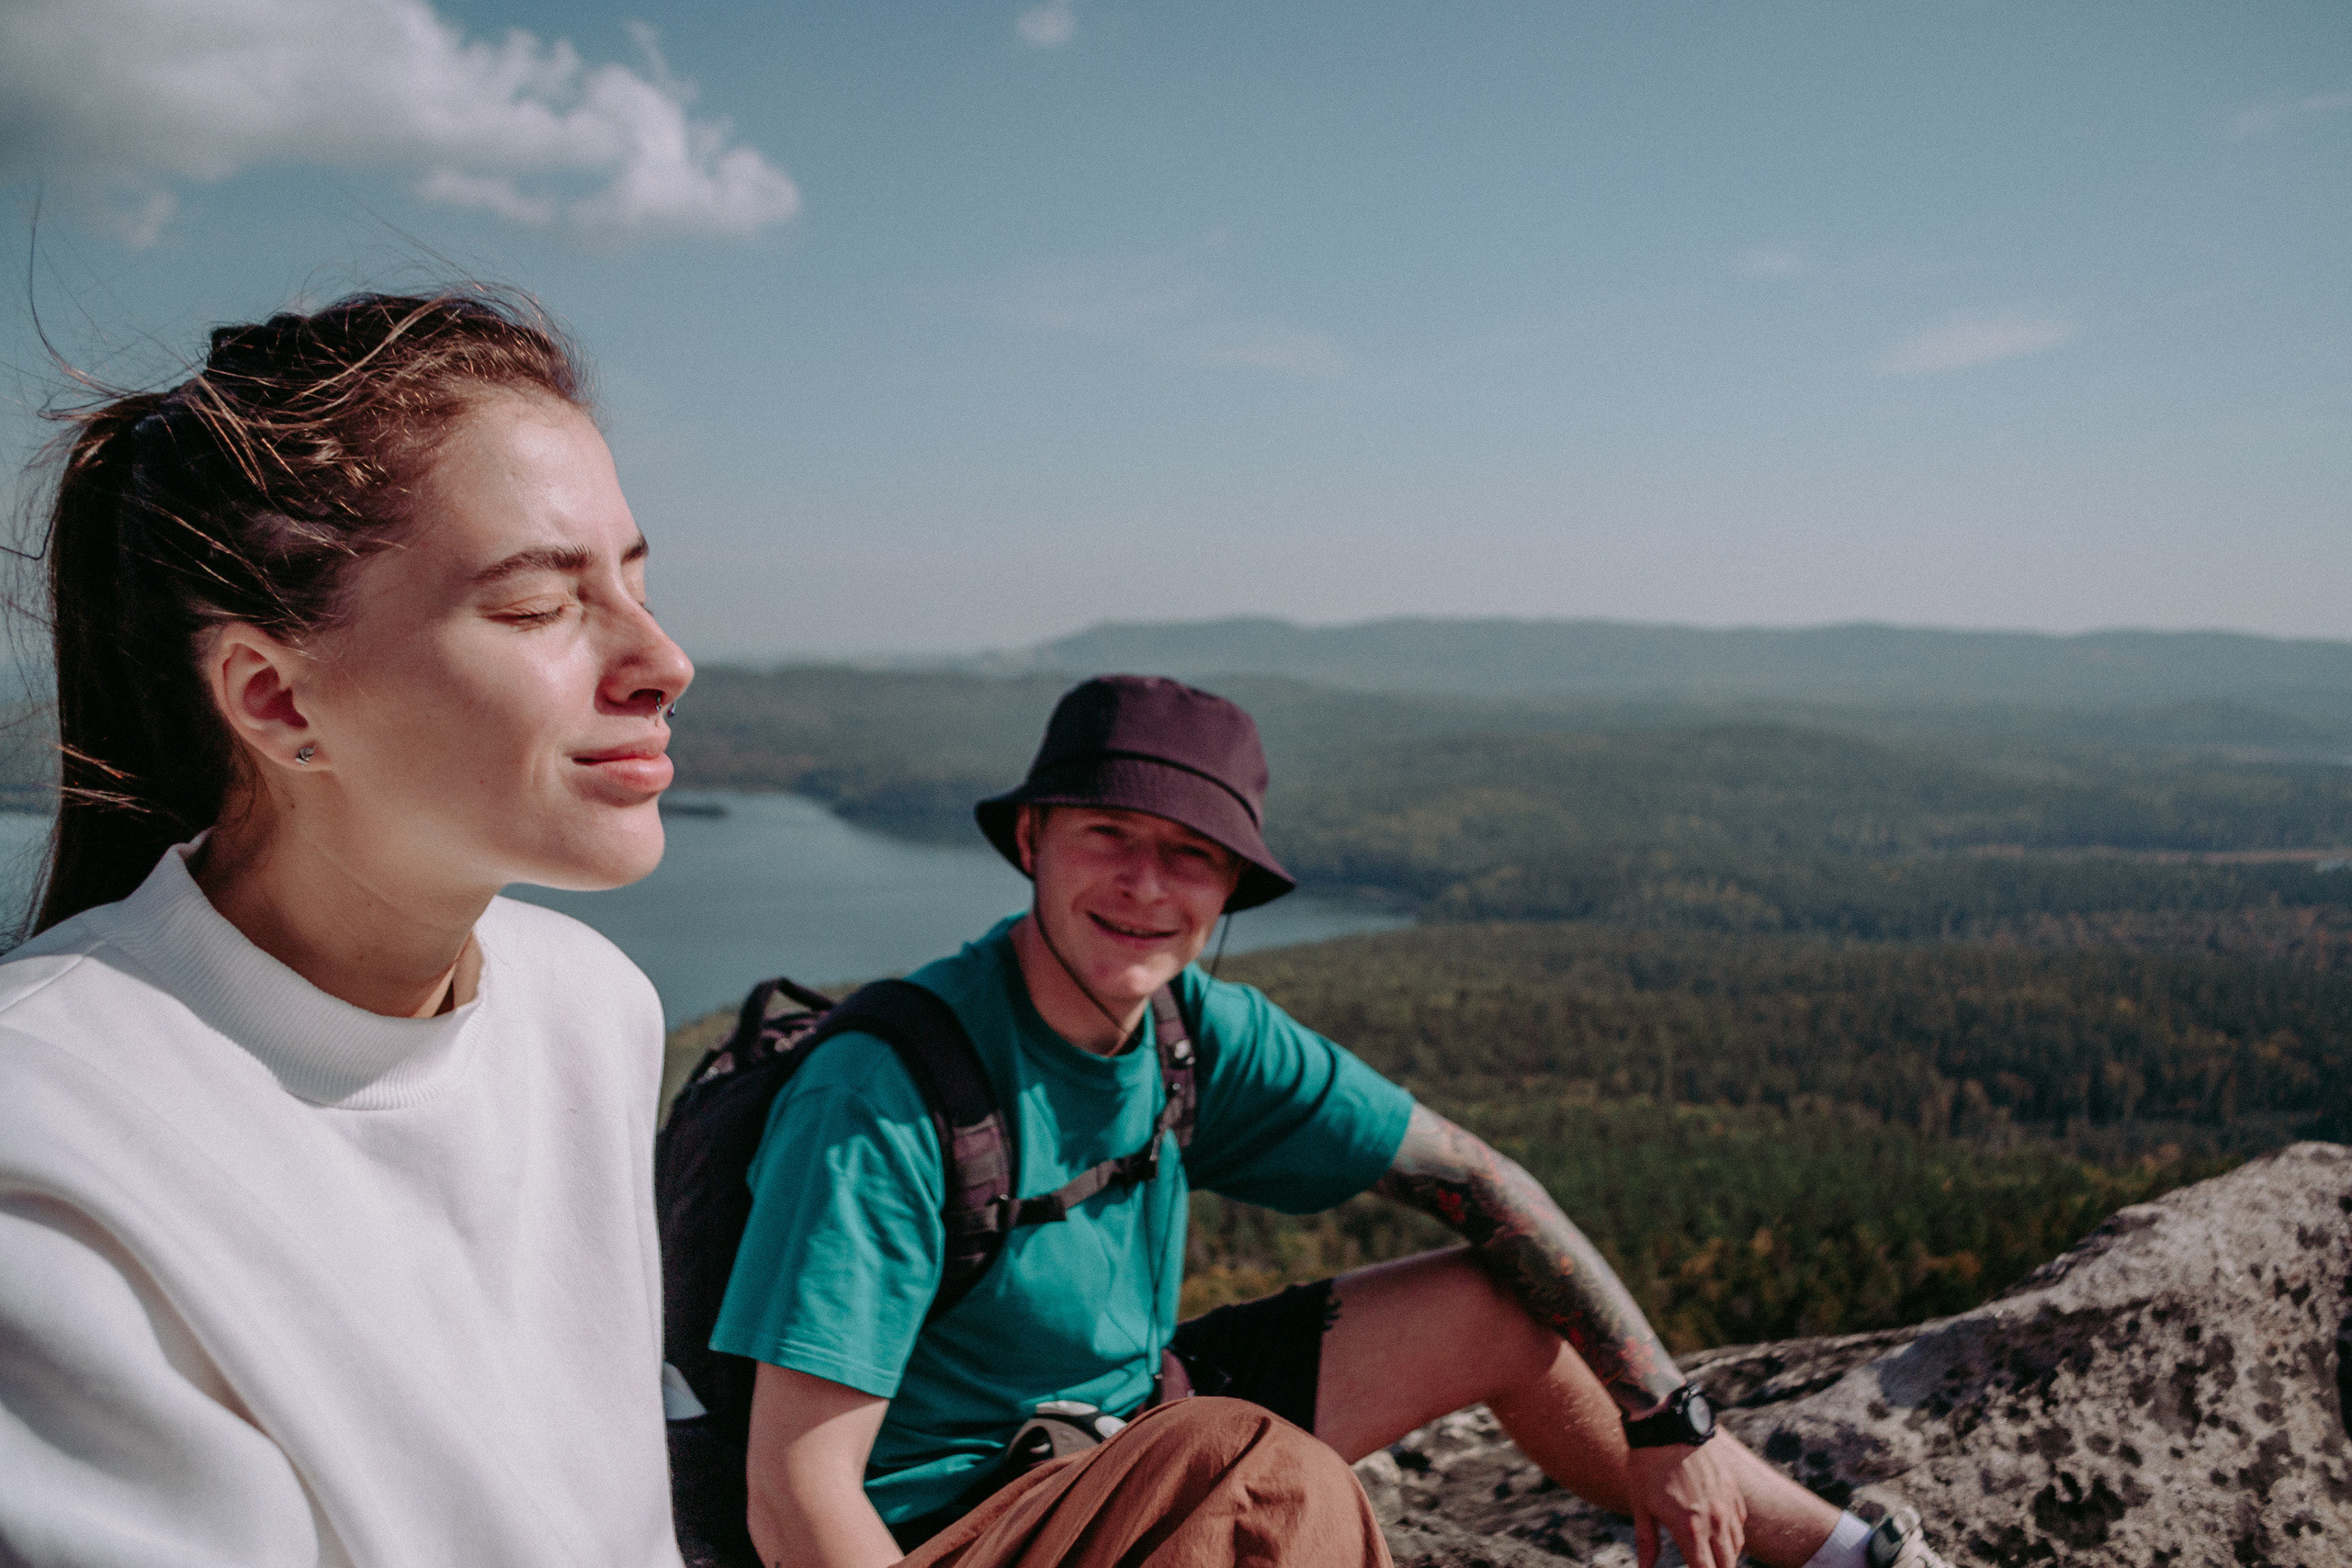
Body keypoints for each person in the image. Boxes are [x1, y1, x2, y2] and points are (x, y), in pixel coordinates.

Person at [712, 674, 1955, 1568]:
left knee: (1502, 1298)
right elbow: (796, 1495)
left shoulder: (1193, 1034)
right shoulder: (887, 1094)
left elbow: (1479, 1183)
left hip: (1123, 1433)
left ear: (1231, 888)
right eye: (1108, 837)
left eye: (1191, 856)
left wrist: (1665, 1420)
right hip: (949, 1525)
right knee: (1262, 1479)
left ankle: (1844, 1558)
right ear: (1032, 841)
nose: (1148, 885)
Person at [0, 292, 696, 1565]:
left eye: (636, 583)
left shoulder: (590, 1009)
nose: (663, 658)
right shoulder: (46, 1146)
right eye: (540, 606)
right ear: (275, 699)